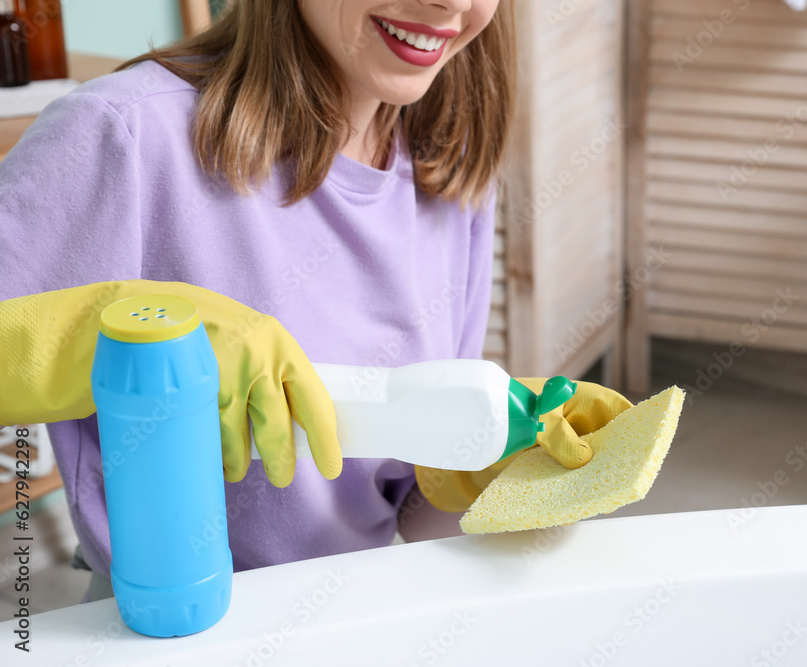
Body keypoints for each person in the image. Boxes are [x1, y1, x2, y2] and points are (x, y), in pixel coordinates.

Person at [0, 0, 630, 600]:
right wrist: (117, 335)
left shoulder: (449, 164)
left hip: (355, 615)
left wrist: (486, 467)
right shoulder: (127, 135)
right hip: (171, 630)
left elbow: (409, 501)